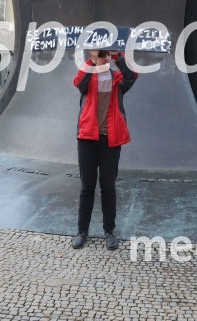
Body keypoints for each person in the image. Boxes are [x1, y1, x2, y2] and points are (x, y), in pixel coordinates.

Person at [71, 49, 137, 251]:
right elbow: (77, 81)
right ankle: (82, 231)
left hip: (111, 139)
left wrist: (118, 56)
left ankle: (109, 231)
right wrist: (91, 61)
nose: (104, 57)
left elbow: (133, 75)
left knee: (108, 187)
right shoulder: (88, 77)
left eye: (106, 54)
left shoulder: (118, 78)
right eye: (101, 54)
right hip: (87, 138)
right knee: (87, 186)